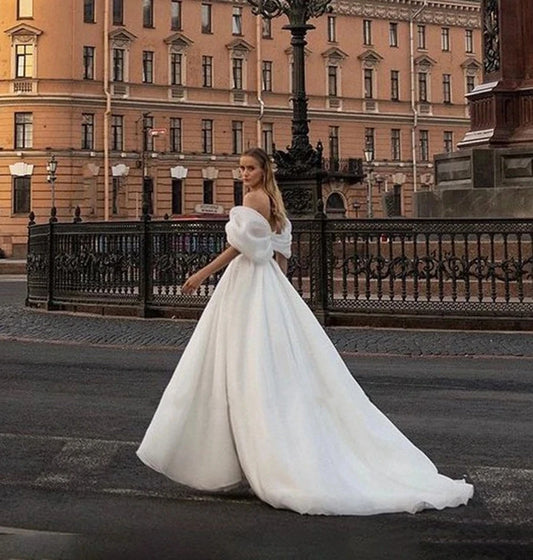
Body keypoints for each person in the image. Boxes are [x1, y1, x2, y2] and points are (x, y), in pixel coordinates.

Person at [137, 147, 474, 516]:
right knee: (266, 362)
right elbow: (280, 253)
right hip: (264, 284)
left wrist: (202, 273)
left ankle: (241, 454)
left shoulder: (254, 198)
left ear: (264, 170)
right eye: (241, 168)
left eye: (249, 168)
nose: (243, 173)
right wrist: (282, 294)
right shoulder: (275, 204)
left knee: (238, 364)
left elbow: (239, 247)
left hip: (247, 283)